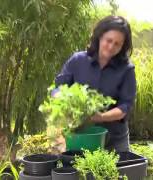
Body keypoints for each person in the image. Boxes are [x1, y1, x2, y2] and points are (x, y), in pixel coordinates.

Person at [54, 15, 136, 153]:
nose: (111, 47)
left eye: (117, 44)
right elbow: (58, 89)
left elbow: (125, 106)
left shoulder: (126, 69)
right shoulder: (77, 61)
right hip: (79, 135)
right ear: (99, 37)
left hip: (114, 140)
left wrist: (101, 117)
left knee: (116, 174)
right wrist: (64, 102)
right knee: (79, 173)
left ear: (123, 46)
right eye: (108, 40)